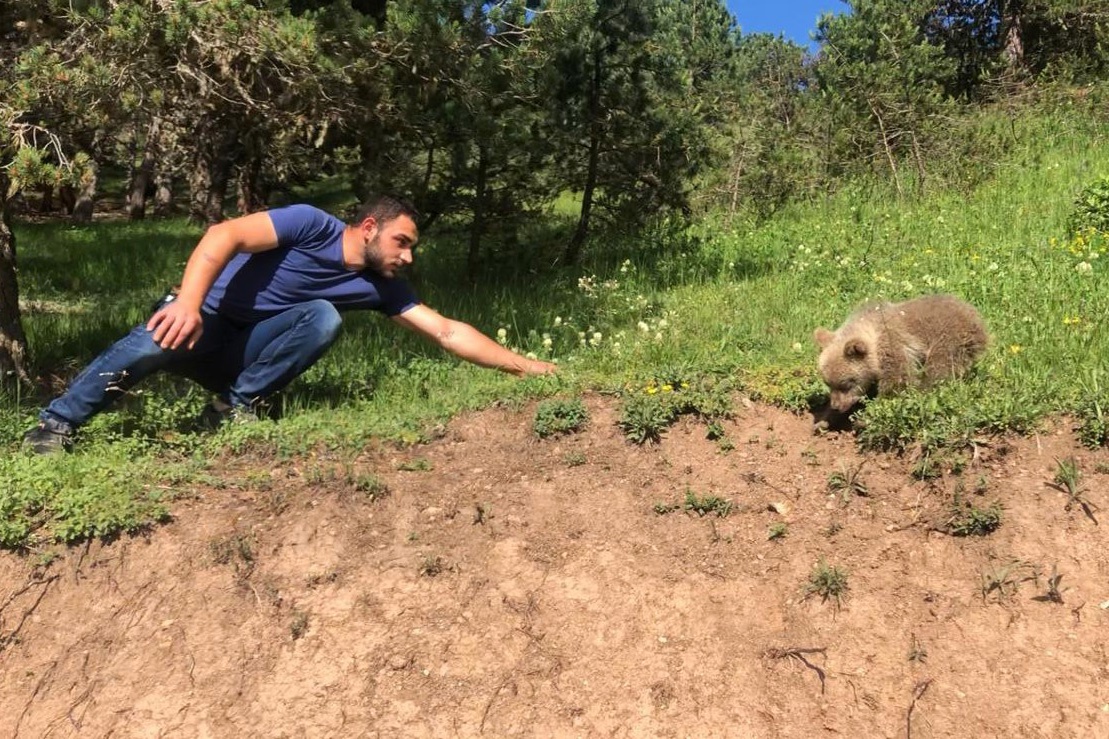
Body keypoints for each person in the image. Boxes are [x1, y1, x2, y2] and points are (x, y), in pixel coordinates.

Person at [23, 195, 556, 453]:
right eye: (402, 242)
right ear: (370, 227)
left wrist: (526, 366)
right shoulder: (309, 225)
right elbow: (223, 235)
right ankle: (53, 427)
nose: (408, 257)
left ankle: (232, 408)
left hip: (242, 354)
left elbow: (445, 330)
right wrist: (187, 302)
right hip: (201, 321)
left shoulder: (381, 287)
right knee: (148, 346)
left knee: (322, 317)